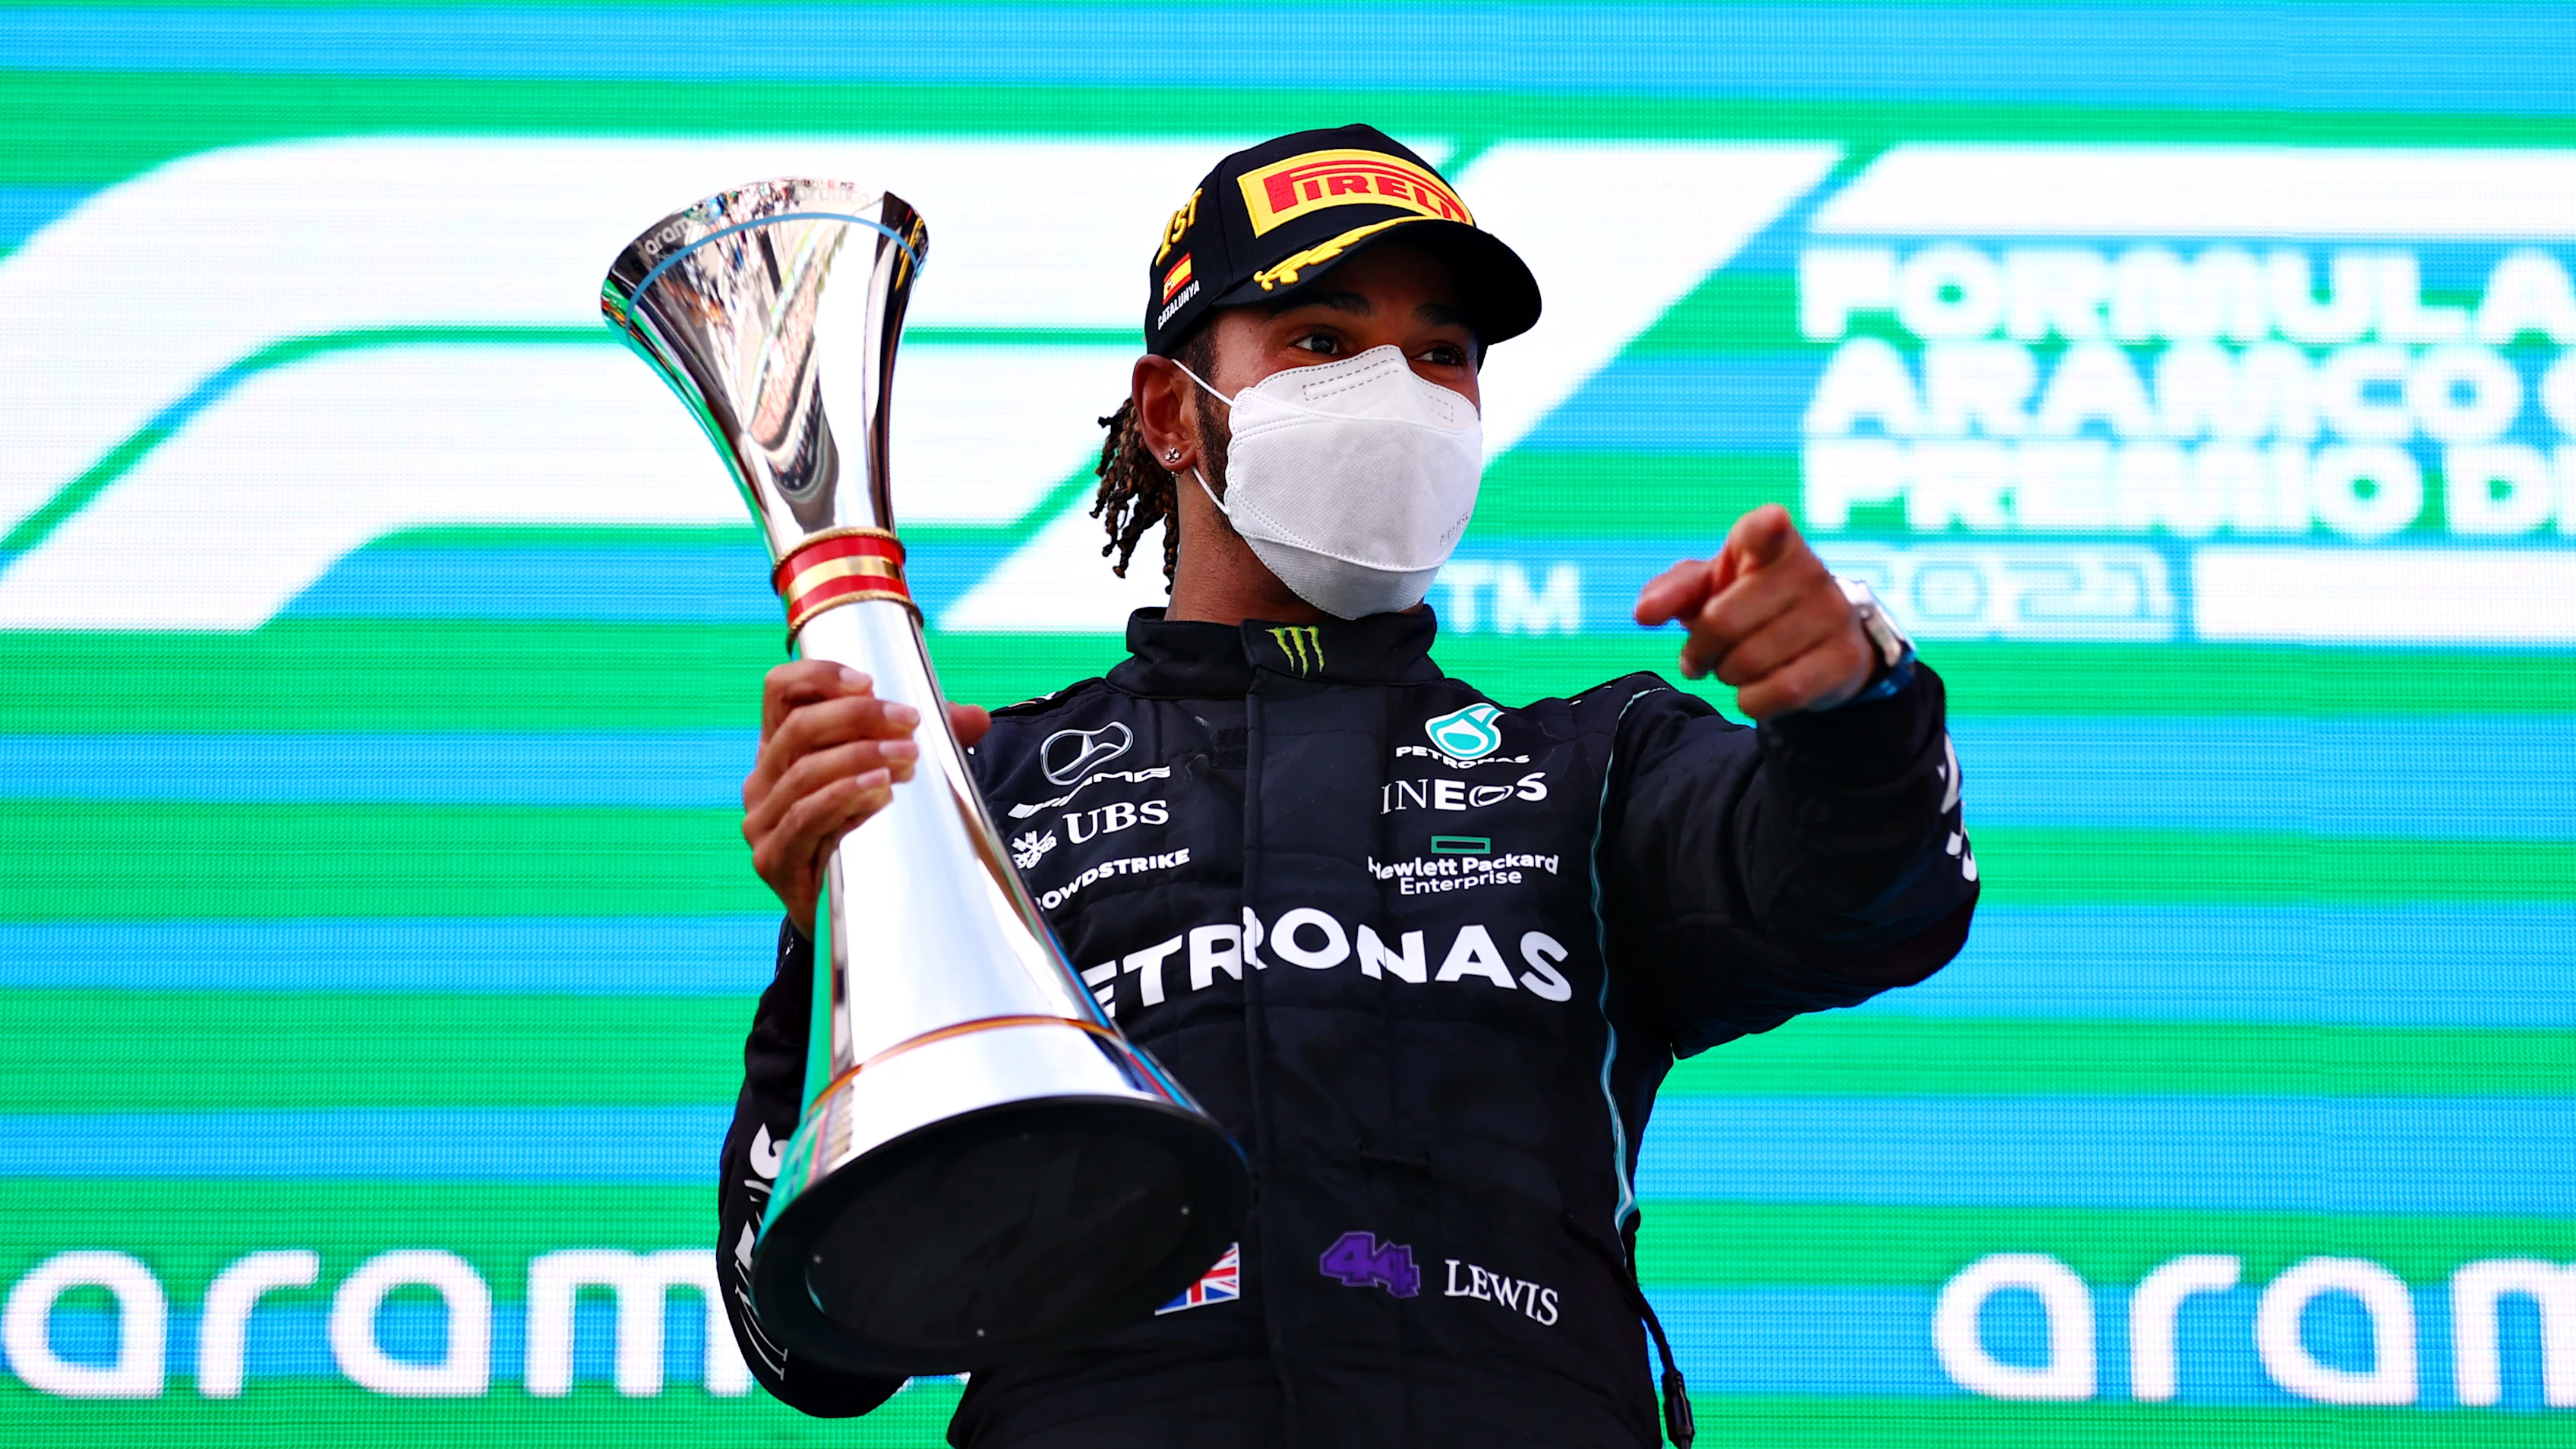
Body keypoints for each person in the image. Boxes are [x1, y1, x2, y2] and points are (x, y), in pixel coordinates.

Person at [717, 125, 1978, 1449]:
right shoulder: (995, 796)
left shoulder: (1592, 769)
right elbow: (806, 1344)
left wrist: (1853, 708)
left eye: (1444, 355)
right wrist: (838, 934)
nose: (1400, 393)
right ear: (1169, 414)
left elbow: (1873, 905)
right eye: (1322, 341)